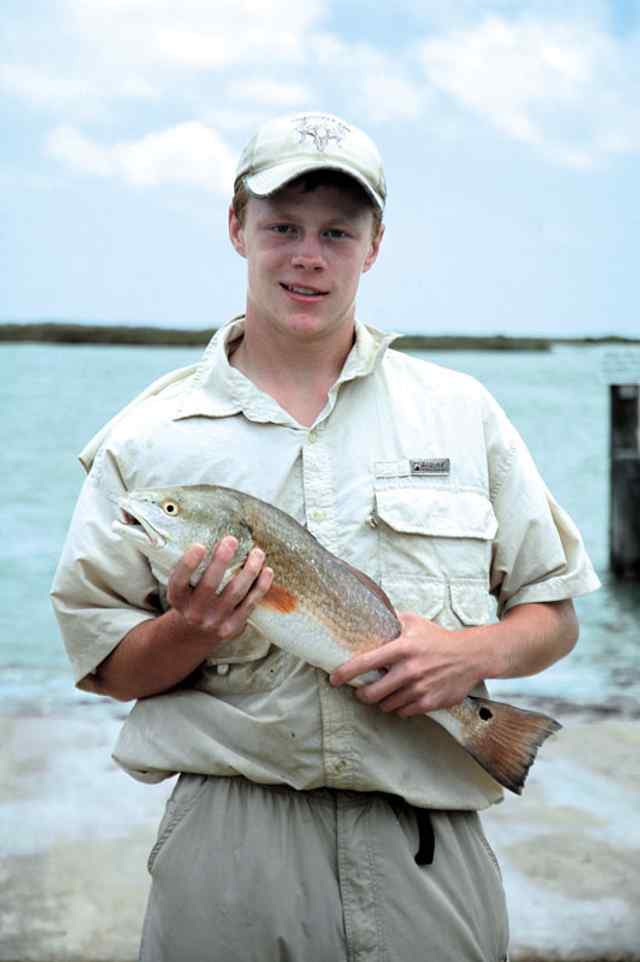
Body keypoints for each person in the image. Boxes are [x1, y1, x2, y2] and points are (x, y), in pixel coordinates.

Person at [51, 111, 600, 962]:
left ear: (375, 245)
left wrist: (472, 654)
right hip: (227, 847)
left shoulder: (463, 413)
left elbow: (554, 617)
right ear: (237, 228)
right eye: (282, 227)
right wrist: (190, 627)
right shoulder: (147, 440)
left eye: (338, 232)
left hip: (428, 844)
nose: (309, 255)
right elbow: (107, 666)